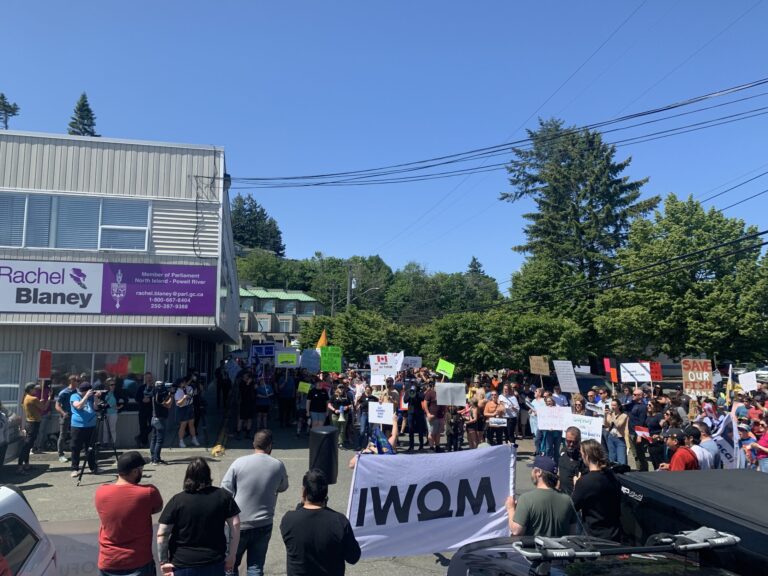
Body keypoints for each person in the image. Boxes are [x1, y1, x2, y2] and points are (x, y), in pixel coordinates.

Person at [157, 457, 241, 575]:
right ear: (208, 475)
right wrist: (231, 555)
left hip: (183, 563)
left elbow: (162, 533)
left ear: (188, 476)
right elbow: (235, 524)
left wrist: (163, 561)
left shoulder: (177, 500)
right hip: (214, 561)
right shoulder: (223, 496)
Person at [222, 430, 288, 576]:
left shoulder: (239, 463)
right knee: (255, 567)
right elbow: (283, 486)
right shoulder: (278, 465)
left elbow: (225, 489)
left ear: (253, 444)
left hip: (238, 522)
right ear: (270, 446)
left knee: (230, 565)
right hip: (264, 523)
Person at [280, 469, 361, 576]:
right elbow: (353, 557)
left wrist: (301, 502)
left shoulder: (289, 519)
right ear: (325, 492)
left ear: (304, 491)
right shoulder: (339, 521)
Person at [95, 451, 163, 576]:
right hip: (138, 561)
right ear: (135, 472)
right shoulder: (148, 492)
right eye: (141, 469)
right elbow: (157, 508)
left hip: (109, 561)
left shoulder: (101, 492)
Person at [505, 455, 577, 537]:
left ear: (538, 472)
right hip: (560, 548)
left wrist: (511, 509)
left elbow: (516, 531)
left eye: (533, 469)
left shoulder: (526, 499)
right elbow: (572, 533)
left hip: (534, 549)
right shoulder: (568, 500)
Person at [571, 440, 622, 542]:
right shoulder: (612, 475)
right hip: (614, 533)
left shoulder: (585, 482)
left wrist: (576, 485)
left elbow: (573, 507)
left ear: (587, 456)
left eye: (582, 454)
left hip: (594, 535)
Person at [18, 382, 51, 473]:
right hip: (34, 424)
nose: (36, 390)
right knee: (27, 445)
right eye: (34, 388)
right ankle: (20, 466)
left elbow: (24, 405)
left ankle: (26, 464)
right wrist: (48, 399)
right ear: (30, 389)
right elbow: (44, 408)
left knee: (28, 445)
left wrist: (36, 404)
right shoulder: (33, 398)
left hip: (29, 422)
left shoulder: (25, 397)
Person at [70, 380, 98, 477]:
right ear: (85, 391)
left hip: (91, 426)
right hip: (78, 426)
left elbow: (96, 408)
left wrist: (95, 397)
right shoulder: (74, 396)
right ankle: (74, 468)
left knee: (90, 448)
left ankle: (92, 467)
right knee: (76, 447)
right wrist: (86, 397)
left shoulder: (91, 397)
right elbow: (78, 406)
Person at [558, 426, 587, 496]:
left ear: (579, 440)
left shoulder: (583, 457)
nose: (571, 444)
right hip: (561, 494)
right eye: (568, 441)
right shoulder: (563, 451)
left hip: (573, 496)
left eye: (574, 442)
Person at [150, 381, 174, 465]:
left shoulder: (155, 393)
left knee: (154, 439)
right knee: (159, 440)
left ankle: (154, 458)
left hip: (154, 418)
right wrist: (171, 395)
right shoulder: (159, 395)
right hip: (160, 420)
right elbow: (168, 405)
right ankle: (155, 459)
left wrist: (168, 394)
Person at [55, 375, 78, 463]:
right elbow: (57, 405)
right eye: (76, 380)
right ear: (71, 381)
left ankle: (74, 452)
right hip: (66, 416)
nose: (78, 382)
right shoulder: (63, 392)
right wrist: (64, 413)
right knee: (62, 435)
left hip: (75, 416)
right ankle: (61, 455)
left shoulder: (76, 392)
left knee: (75, 434)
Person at [625, 388, 649, 471]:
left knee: (640, 454)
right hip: (630, 432)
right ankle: (639, 469)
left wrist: (639, 436)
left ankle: (644, 470)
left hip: (637, 433)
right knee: (635, 454)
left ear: (640, 396)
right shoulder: (631, 404)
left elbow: (641, 422)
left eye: (635, 395)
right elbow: (622, 407)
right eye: (633, 394)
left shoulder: (642, 407)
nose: (633, 395)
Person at [175, 376, 200, 448]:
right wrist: (184, 398)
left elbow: (194, 391)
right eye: (183, 382)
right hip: (182, 408)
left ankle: (194, 438)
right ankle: (181, 441)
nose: (184, 383)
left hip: (189, 406)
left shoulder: (189, 388)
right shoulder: (178, 391)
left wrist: (193, 381)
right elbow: (178, 403)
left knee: (191, 424)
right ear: (179, 384)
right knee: (183, 425)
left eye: (184, 382)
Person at [423, 381, 446, 452]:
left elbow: (444, 405)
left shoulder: (442, 394)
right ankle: (431, 447)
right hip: (432, 416)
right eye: (437, 386)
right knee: (432, 432)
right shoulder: (430, 393)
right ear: (434, 386)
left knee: (438, 433)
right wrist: (428, 414)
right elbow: (425, 404)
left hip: (440, 416)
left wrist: (444, 415)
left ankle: (437, 447)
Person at [404, 383, 427, 452]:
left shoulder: (419, 392)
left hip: (419, 411)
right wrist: (410, 395)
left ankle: (421, 445)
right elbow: (405, 401)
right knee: (410, 429)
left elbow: (423, 398)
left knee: (420, 429)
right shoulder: (408, 391)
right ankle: (411, 446)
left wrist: (416, 393)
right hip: (411, 411)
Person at [604, 399, 628, 465]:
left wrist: (613, 416)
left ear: (619, 406)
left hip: (619, 438)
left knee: (621, 459)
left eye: (614, 405)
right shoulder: (610, 415)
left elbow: (619, 425)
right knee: (612, 457)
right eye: (612, 405)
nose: (612, 407)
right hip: (611, 437)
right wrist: (605, 415)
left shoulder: (624, 416)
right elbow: (606, 425)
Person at [134, 372, 155, 448]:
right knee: (142, 427)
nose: (149, 379)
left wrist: (150, 399)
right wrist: (142, 399)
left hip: (151, 410)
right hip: (142, 410)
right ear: (145, 379)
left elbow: (157, 397)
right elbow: (136, 398)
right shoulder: (141, 387)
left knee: (152, 425)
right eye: (147, 377)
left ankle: (139, 437)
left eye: (150, 377)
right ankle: (144, 443)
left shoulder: (154, 387)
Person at [355, 385, 378, 450]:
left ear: (371, 391)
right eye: (367, 390)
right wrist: (357, 405)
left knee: (369, 431)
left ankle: (368, 446)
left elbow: (379, 404)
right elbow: (356, 405)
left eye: (369, 390)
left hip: (371, 415)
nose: (368, 391)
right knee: (362, 431)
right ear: (365, 390)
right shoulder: (362, 397)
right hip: (364, 415)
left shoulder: (374, 398)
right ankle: (359, 445)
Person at [101, 378, 120, 448]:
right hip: (106, 413)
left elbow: (124, 400)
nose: (113, 386)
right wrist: (111, 405)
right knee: (105, 429)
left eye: (114, 384)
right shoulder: (104, 393)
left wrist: (119, 406)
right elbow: (103, 403)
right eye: (111, 385)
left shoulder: (117, 392)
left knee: (112, 428)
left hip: (113, 413)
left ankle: (113, 443)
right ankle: (105, 443)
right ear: (107, 385)